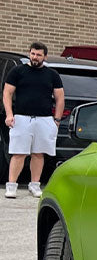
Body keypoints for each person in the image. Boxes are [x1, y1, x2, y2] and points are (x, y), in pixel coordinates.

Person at [3, 42, 64, 198]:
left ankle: (34, 185)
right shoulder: (17, 71)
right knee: (18, 153)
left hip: (44, 119)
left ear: (45, 56)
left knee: (38, 154)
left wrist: (56, 120)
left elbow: (59, 98)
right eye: (33, 54)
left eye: (38, 55)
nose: (35, 57)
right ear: (29, 53)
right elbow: (7, 93)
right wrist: (9, 115)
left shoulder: (52, 75)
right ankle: (11, 186)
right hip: (21, 118)